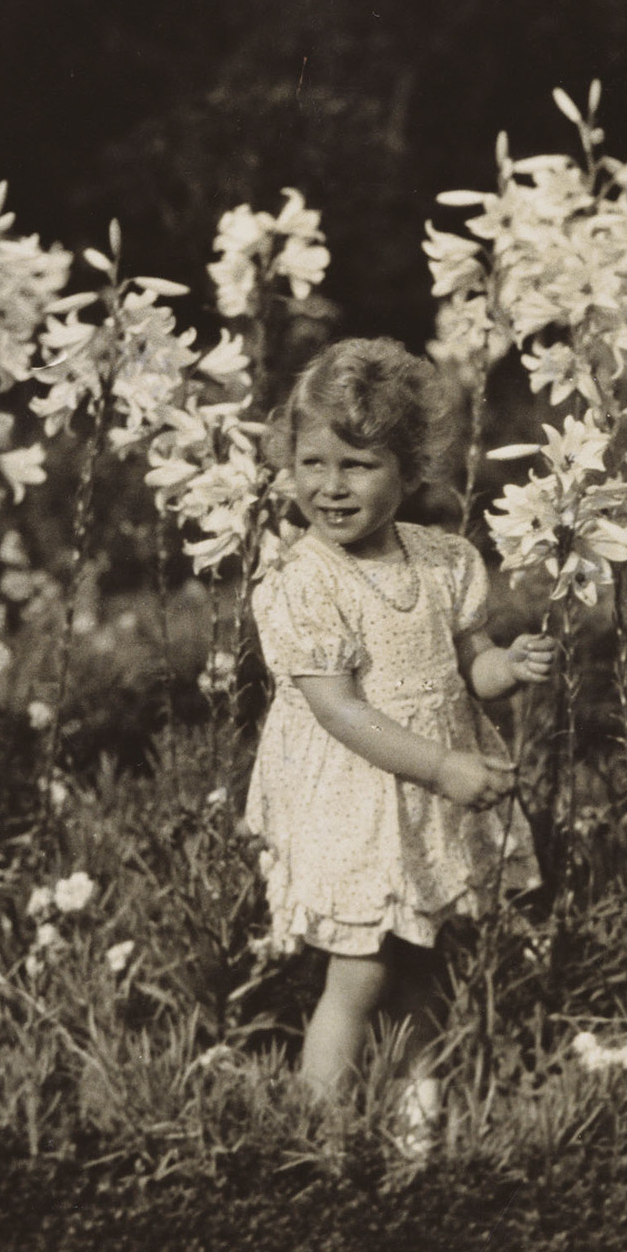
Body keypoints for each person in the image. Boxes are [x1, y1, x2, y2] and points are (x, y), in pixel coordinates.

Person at [246, 336, 556, 1133]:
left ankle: (420, 1131)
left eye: (358, 466)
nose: (330, 486)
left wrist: (508, 668)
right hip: (355, 794)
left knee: (420, 964)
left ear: (410, 470)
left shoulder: (443, 560)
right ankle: (318, 1136)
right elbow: (340, 710)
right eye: (312, 463)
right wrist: (447, 767)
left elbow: (467, 664)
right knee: (360, 971)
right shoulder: (302, 581)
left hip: (422, 798)